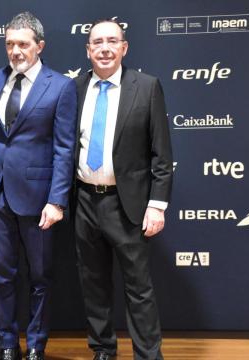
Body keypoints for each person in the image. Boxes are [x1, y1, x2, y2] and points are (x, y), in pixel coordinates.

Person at [73, 19, 173, 360]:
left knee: (139, 289)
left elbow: (162, 153)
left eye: (111, 41)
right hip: (84, 201)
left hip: (127, 205)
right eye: (97, 42)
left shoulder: (146, 87)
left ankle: (148, 354)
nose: (104, 48)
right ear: (87, 50)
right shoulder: (75, 88)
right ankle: (103, 349)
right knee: (94, 285)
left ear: (124, 47)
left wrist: (157, 205)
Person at [0, 12, 77, 360]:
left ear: (40, 45)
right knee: (2, 275)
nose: (15, 51)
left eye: (23, 44)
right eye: (9, 44)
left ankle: (36, 344)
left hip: (39, 199)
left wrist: (57, 200)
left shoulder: (61, 86)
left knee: (40, 276)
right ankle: (7, 342)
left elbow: (65, 147)